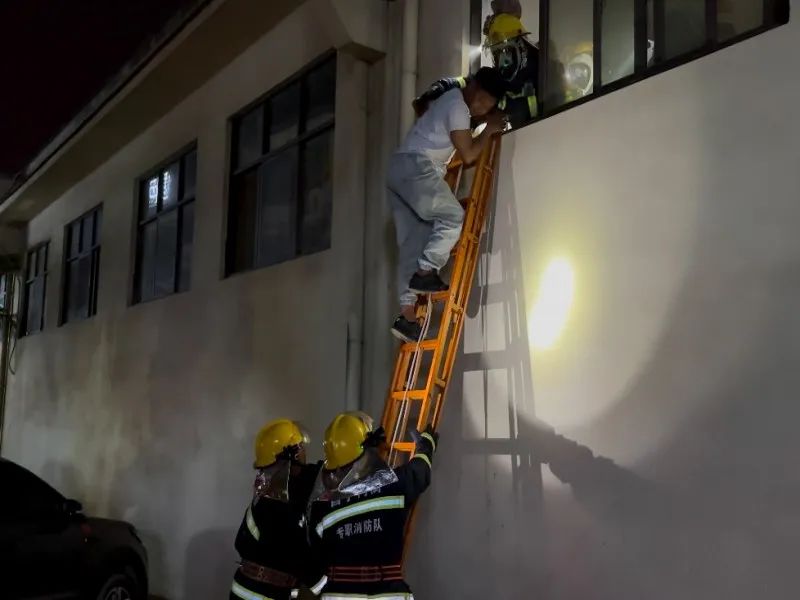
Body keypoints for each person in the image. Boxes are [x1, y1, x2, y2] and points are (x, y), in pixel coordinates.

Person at [389, 67, 507, 343]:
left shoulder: (448, 100)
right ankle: (427, 270)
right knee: (453, 216)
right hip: (416, 168)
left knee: (412, 243)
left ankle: (406, 317)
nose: (480, 108)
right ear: (472, 86)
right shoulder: (457, 106)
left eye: (487, 106)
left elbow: (423, 108)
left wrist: (480, 123)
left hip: (398, 170)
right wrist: (490, 128)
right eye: (480, 100)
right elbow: (469, 155)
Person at [307, 412, 438, 600]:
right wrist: (426, 446)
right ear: (368, 450)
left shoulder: (321, 507)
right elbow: (420, 471)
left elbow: (314, 554)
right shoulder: (395, 484)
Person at [230, 419, 328, 600]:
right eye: (300, 447)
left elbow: (310, 475)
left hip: (255, 589)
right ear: (294, 456)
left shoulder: (276, 488)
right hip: (261, 594)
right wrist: (327, 585)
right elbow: (297, 554)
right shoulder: (275, 503)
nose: (304, 451)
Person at [414, 14, 540, 129]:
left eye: (504, 51)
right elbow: (469, 83)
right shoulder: (501, 80)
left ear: (521, 47)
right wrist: (442, 87)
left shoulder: (543, 69)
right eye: (496, 54)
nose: (501, 61)